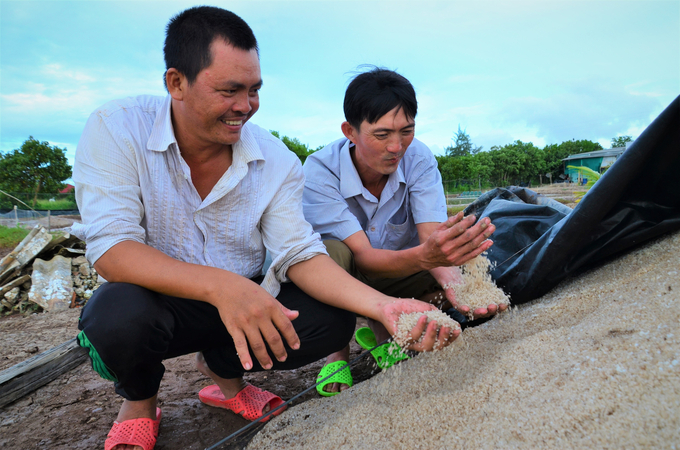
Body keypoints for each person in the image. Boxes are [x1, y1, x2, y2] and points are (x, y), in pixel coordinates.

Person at [71, 9, 459, 450]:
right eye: (229, 90)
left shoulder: (274, 160)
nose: (246, 106)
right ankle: (140, 401)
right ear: (176, 83)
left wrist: (385, 307)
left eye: (254, 90)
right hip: (158, 299)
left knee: (329, 321)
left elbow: (300, 251)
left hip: (245, 296)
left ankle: (224, 376)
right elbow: (112, 247)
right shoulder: (116, 127)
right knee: (117, 318)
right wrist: (222, 288)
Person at [302, 68, 508, 395]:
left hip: (400, 265)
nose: (396, 147)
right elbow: (364, 258)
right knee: (332, 252)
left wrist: (458, 285)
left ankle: (385, 328)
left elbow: (431, 237)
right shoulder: (320, 171)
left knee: (452, 270)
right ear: (350, 132)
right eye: (382, 135)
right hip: (348, 272)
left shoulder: (419, 157)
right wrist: (429, 255)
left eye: (407, 131)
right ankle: (336, 352)